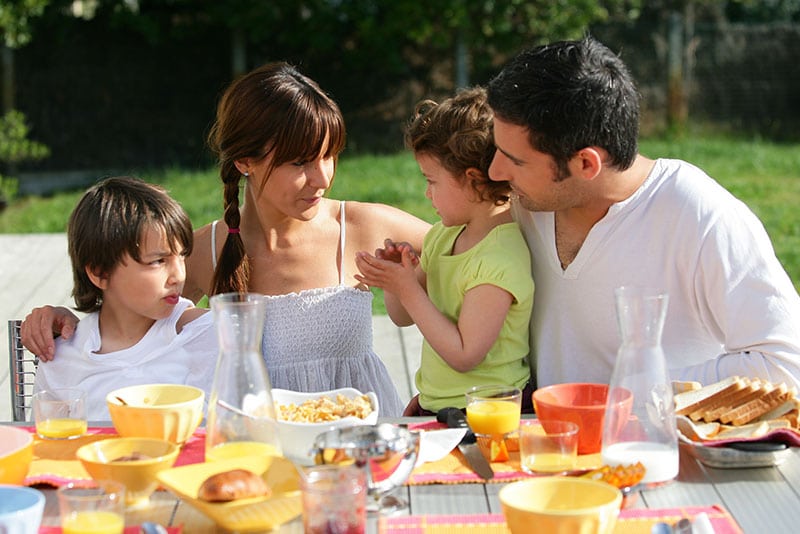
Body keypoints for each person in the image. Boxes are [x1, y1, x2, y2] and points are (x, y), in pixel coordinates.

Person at [22, 62, 430, 416]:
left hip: (361, 445)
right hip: (255, 459)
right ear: (244, 161)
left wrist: (440, 391)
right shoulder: (199, 254)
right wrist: (66, 319)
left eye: (330, 155)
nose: (323, 177)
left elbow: (476, 259)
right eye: (300, 161)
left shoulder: (363, 227)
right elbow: (128, 320)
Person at [486, 36, 800, 390]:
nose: (495, 172)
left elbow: (786, 365)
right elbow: (442, 252)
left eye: (514, 160)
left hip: (656, 444)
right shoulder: (527, 202)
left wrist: (630, 392)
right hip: (541, 442)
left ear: (586, 163)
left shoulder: (699, 215)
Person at [355, 87, 534, 416]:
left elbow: (466, 355)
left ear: (472, 180)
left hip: (488, 415)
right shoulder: (443, 236)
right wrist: (399, 281)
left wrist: (407, 288)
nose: (426, 193)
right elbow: (403, 316)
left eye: (432, 181)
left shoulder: (500, 259)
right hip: (441, 408)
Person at [33, 177, 217, 420]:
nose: (178, 275)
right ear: (100, 272)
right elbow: (49, 448)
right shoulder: (62, 360)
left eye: (182, 256)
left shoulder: (204, 334)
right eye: (158, 261)